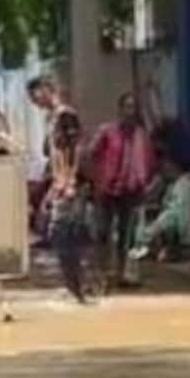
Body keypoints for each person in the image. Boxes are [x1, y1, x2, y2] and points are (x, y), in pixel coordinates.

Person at [84, 91, 155, 288]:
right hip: (108, 189)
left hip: (132, 190)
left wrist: (144, 182)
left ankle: (125, 272)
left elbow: (148, 160)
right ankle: (103, 271)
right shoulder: (107, 132)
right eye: (126, 107)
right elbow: (90, 154)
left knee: (128, 235)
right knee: (103, 232)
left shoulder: (141, 135)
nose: (129, 112)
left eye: (133, 107)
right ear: (120, 109)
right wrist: (94, 180)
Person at [39, 104, 93, 304]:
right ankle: (75, 287)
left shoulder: (73, 149)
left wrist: (67, 186)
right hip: (65, 194)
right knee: (65, 241)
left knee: (67, 240)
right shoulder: (60, 146)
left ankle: (77, 287)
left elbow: (72, 170)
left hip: (71, 195)